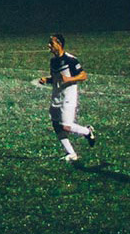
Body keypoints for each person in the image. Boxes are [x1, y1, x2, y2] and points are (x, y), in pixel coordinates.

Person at [38, 34, 97, 162]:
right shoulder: (53, 61)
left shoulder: (71, 60)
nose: (49, 46)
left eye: (51, 43)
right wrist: (47, 80)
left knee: (66, 126)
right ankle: (71, 153)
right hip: (56, 95)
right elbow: (56, 79)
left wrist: (69, 79)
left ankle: (87, 132)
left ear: (59, 44)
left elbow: (83, 75)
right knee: (56, 124)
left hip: (68, 96)